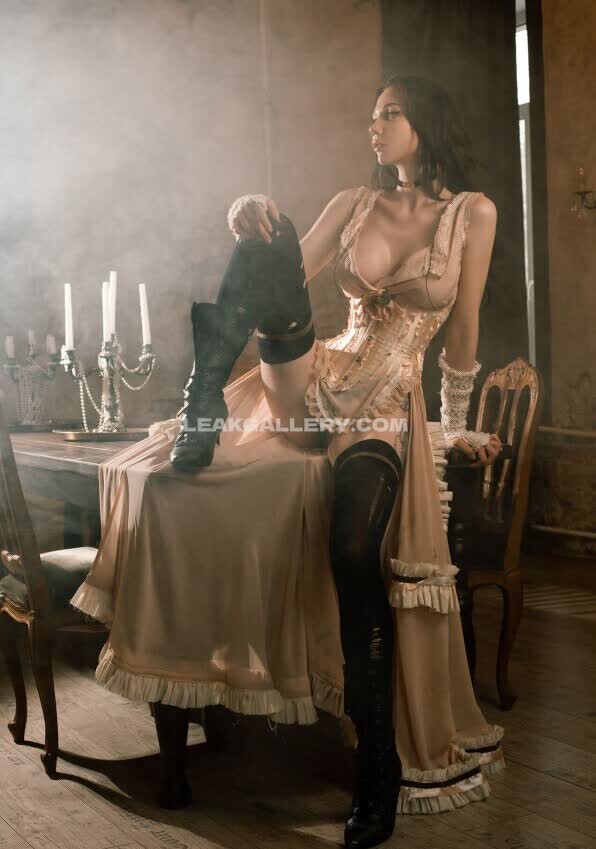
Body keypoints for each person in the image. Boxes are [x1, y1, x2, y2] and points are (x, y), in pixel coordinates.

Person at [166, 74, 503, 849]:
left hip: (384, 411)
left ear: (425, 119)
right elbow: (281, 276)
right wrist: (247, 211)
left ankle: (376, 771)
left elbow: (462, 336)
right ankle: (202, 395)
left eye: (389, 114)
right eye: (372, 116)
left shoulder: (471, 214)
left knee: (354, 552)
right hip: (312, 382)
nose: (374, 127)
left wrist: (452, 432)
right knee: (267, 237)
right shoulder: (353, 201)